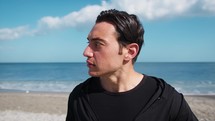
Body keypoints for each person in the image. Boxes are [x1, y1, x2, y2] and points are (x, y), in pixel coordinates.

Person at [66, 9, 198, 121]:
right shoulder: (79, 98)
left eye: (97, 44)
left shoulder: (166, 99)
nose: (86, 52)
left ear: (129, 52)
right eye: (88, 43)